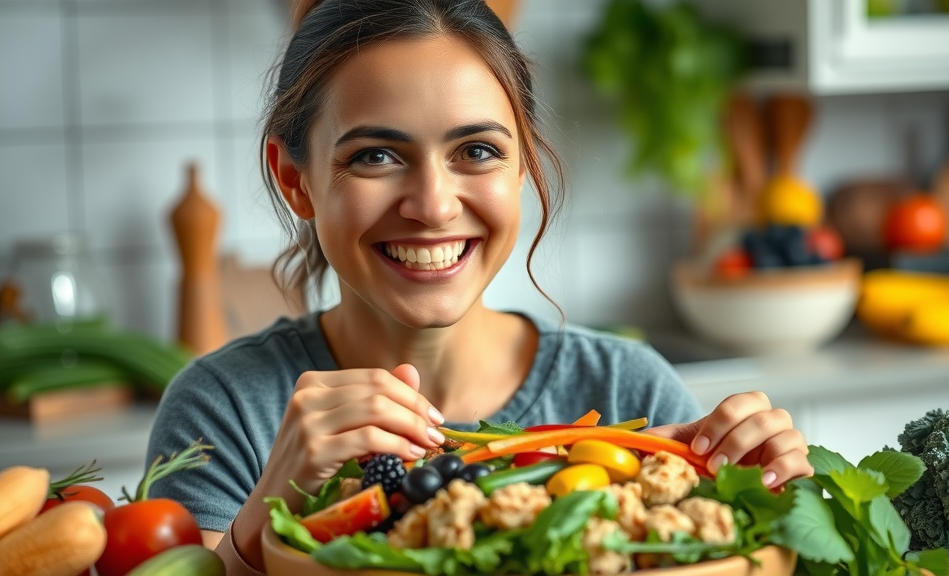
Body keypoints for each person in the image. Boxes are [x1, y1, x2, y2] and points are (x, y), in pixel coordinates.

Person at [145, 0, 814, 573]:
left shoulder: (627, 390)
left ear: (523, 160)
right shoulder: (224, 410)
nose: (434, 206)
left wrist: (766, 497)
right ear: (295, 179)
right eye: (376, 155)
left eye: (478, 151)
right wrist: (267, 515)